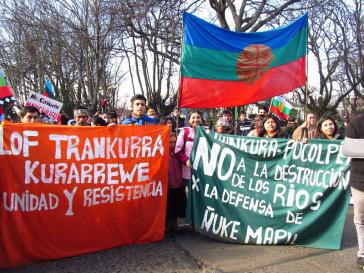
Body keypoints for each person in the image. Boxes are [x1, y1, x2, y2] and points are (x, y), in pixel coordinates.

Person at [344, 114, 364, 270]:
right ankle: (363, 254)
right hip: (360, 182)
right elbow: (349, 149)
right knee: (361, 220)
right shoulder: (356, 123)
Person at [166, 132, 186, 232]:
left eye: (174, 142)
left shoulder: (179, 153)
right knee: (168, 206)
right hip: (168, 185)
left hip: (179, 184)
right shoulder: (162, 153)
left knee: (178, 205)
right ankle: (167, 224)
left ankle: (175, 222)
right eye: (170, 142)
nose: (172, 145)